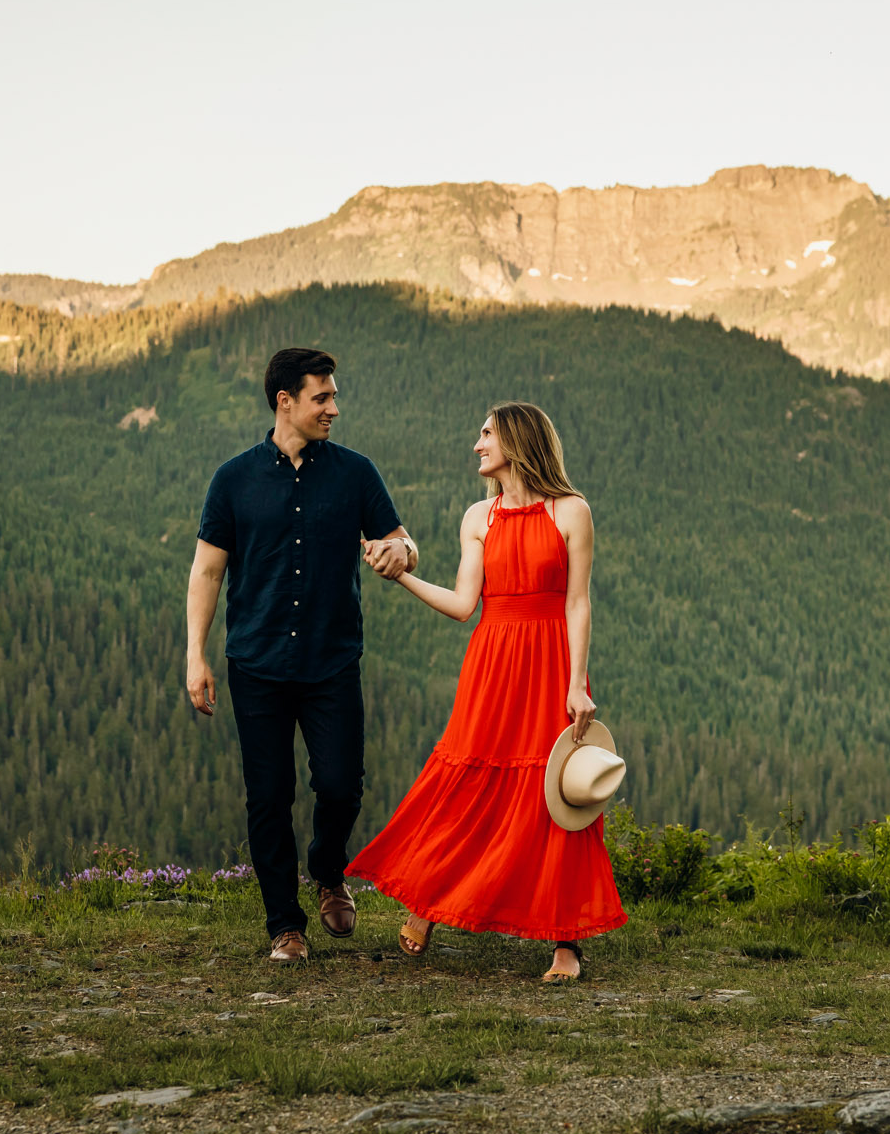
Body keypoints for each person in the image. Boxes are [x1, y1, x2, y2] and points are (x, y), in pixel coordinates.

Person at [347, 401, 626, 981]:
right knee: (464, 782)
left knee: (557, 798)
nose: (477, 445)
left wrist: (577, 683)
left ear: (517, 442)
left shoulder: (572, 512)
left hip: (551, 663)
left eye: (486, 435)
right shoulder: (479, 516)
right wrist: (400, 575)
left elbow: (578, 602)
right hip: (492, 663)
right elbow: (462, 605)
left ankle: (565, 945)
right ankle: (428, 901)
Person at [185, 348, 419, 963]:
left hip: (332, 662)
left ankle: (326, 870)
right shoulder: (232, 479)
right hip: (256, 663)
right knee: (268, 794)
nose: (334, 408)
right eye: (322, 397)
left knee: (341, 785)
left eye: (334, 396)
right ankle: (284, 926)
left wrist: (405, 553)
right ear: (285, 401)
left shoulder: (355, 473)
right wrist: (195, 655)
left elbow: (400, 540)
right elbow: (208, 572)